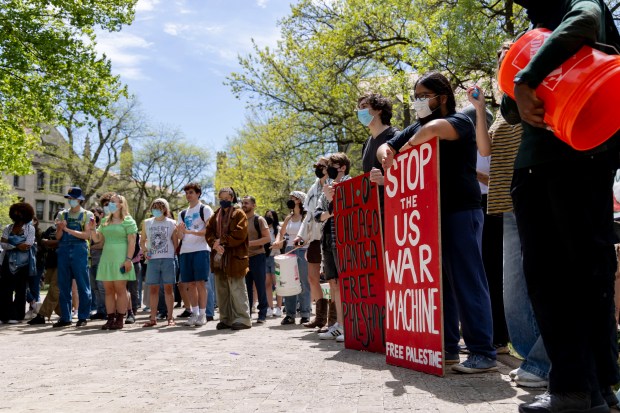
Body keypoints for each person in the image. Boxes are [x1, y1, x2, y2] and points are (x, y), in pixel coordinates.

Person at [503, 1, 620, 411]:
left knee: (554, 280)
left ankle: (573, 390)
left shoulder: (579, 7)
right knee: (590, 277)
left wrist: (526, 75)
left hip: (553, 167)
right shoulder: (542, 31)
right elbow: (513, 111)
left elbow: (585, 19)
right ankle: (599, 388)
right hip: (582, 163)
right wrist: (517, 74)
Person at [377, 71, 496, 373]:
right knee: (437, 284)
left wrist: (402, 148)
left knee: (467, 280)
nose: (417, 101)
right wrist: (386, 153)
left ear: (442, 98)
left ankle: (483, 352)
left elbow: (432, 132)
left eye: (423, 96)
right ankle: (446, 349)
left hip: (461, 211)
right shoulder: (415, 126)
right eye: (415, 96)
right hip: (431, 216)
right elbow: (386, 146)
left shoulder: (460, 122)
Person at [467, 43, 550, 388]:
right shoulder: (505, 109)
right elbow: (485, 150)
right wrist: (480, 109)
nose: (504, 61)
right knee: (512, 294)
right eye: (499, 58)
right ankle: (534, 359)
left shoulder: (539, 92)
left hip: (535, 200)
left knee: (542, 287)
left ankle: (544, 364)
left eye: (510, 55)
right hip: (504, 205)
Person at [461, 103, 511, 356]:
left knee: (493, 272)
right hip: (471, 208)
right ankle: (481, 332)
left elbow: (501, 180)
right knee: (476, 272)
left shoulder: (493, 145)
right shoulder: (462, 145)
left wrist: (475, 174)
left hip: (492, 207)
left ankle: (499, 338)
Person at [315, 152, 351, 342]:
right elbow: (318, 215)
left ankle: (348, 326)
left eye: (331, 164)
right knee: (335, 282)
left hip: (344, 238)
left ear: (342, 167)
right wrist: (330, 209)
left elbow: (346, 207)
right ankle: (340, 325)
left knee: (345, 282)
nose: (327, 168)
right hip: (328, 239)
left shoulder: (350, 183)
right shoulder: (326, 189)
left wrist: (331, 207)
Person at [205, 187, 251, 331]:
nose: (223, 201)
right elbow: (208, 231)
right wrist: (214, 243)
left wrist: (222, 241)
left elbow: (240, 233)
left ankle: (242, 319)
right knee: (222, 289)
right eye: (221, 198)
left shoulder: (239, 213)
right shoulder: (216, 214)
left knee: (237, 289)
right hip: (219, 259)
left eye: (226, 198)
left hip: (235, 258)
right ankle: (226, 319)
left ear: (232, 198)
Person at [91, 193, 138, 330]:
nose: (110, 204)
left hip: (121, 258)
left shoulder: (128, 220)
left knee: (120, 289)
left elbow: (132, 241)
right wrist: (93, 228)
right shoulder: (105, 220)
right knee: (108, 290)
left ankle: (120, 319)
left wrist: (128, 259)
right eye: (110, 201)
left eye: (113, 201)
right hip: (107, 257)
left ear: (121, 204)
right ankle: (110, 318)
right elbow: (97, 239)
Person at [293, 157, 328, 328]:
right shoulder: (313, 188)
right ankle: (320, 317)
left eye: (321, 166)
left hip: (329, 235)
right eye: (317, 166)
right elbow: (308, 216)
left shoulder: (334, 183)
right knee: (312, 277)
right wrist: (301, 236)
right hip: (314, 238)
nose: (319, 169)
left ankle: (335, 318)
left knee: (333, 279)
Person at [54, 187, 94, 328]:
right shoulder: (61, 214)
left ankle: (83, 317)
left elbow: (86, 236)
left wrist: (67, 230)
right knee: (63, 285)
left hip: (80, 249)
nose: (70, 201)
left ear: (80, 199)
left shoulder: (87, 215)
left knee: (83, 285)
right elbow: (58, 237)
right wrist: (60, 228)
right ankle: (66, 317)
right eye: (69, 198)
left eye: (73, 198)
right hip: (63, 249)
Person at [177, 182, 213, 327]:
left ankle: (203, 314)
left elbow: (209, 230)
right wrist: (180, 231)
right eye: (186, 193)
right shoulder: (182, 213)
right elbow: (180, 235)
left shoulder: (205, 209)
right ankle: (195, 313)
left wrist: (190, 232)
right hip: (185, 250)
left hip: (201, 249)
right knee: (189, 284)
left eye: (191, 192)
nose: (188, 195)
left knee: (200, 283)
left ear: (198, 193)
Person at [273, 191, 310, 325]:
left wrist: (303, 242)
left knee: (303, 282)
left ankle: (305, 313)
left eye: (293, 198)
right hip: (289, 251)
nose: (290, 200)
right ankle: (290, 314)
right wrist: (277, 242)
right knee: (288, 282)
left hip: (303, 249)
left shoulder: (305, 217)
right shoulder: (289, 217)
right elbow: (281, 233)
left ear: (299, 201)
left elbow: (310, 233)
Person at [141, 198, 178, 327]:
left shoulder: (172, 223)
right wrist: (145, 252)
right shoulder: (147, 223)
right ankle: (152, 318)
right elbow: (142, 241)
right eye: (154, 207)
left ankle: (170, 317)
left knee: (168, 288)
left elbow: (175, 242)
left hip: (168, 259)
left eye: (160, 207)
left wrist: (173, 256)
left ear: (165, 209)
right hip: (152, 260)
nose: (156, 210)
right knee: (153, 289)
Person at [0, 202, 36, 323]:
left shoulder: (30, 228)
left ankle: (17, 316)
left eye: (19, 212)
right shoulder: (8, 227)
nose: (17, 214)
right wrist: (17, 245)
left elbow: (28, 244)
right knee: (6, 290)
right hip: (7, 262)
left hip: (23, 264)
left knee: (21, 290)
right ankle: (5, 315)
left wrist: (11, 244)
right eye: (15, 212)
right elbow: (2, 243)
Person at [240, 196, 271, 324]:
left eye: (246, 203)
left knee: (260, 286)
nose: (244, 205)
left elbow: (267, 238)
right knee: (246, 288)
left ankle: (262, 313)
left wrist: (249, 243)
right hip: (244, 258)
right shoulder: (240, 221)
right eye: (242, 203)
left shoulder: (259, 220)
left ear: (254, 205)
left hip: (258, 256)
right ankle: (248, 314)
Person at [28, 224, 61, 325]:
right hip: (51, 262)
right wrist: (49, 242)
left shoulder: (69, 228)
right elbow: (42, 241)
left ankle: (42, 315)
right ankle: (64, 314)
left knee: (55, 288)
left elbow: (63, 242)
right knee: (56, 290)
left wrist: (50, 242)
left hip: (63, 261)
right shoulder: (51, 229)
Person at [89, 207, 107, 320]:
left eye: (94, 214)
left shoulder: (103, 227)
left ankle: (107, 310)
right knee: (94, 287)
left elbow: (101, 244)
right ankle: (100, 310)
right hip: (91, 261)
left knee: (102, 287)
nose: (92, 216)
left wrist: (88, 247)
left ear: (100, 215)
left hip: (101, 260)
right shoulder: (89, 228)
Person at [264, 210, 282, 317]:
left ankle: (279, 307)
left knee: (277, 283)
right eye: (267, 216)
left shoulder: (279, 229)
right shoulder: (263, 229)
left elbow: (280, 245)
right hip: (266, 258)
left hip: (276, 258)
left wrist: (275, 244)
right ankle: (269, 307)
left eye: (271, 216)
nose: (269, 218)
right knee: (267, 284)